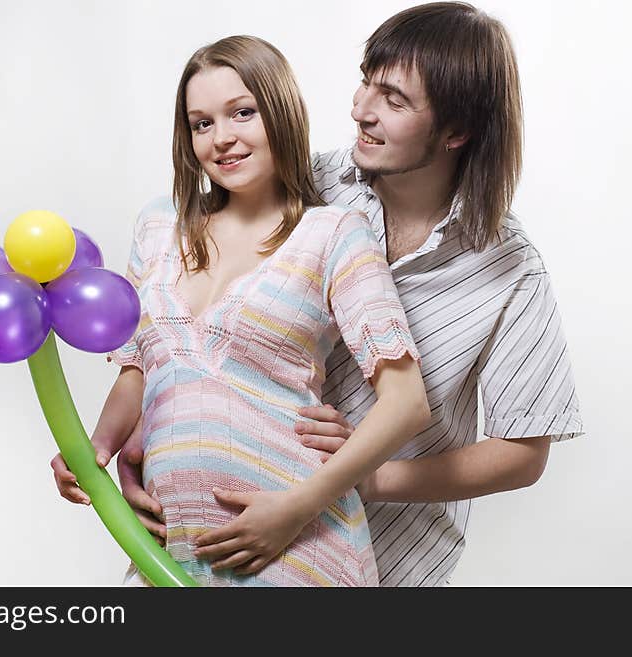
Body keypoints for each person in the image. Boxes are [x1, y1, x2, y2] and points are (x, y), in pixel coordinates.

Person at [54, 2, 584, 587]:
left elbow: (522, 453)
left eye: (395, 100)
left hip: (391, 556)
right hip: (209, 540)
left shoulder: (510, 268)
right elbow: (181, 353)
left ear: (457, 131)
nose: (361, 110)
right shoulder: (302, 186)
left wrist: (343, 483)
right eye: (366, 83)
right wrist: (133, 456)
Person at [57, 35, 430, 587]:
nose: (221, 138)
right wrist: (94, 450)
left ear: (279, 111)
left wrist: (295, 509)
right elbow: (140, 370)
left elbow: (406, 404)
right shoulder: (160, 227)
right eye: (201, 123)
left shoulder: (332, 234)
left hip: (300, 548)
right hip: (172, 548)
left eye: (242, 113)